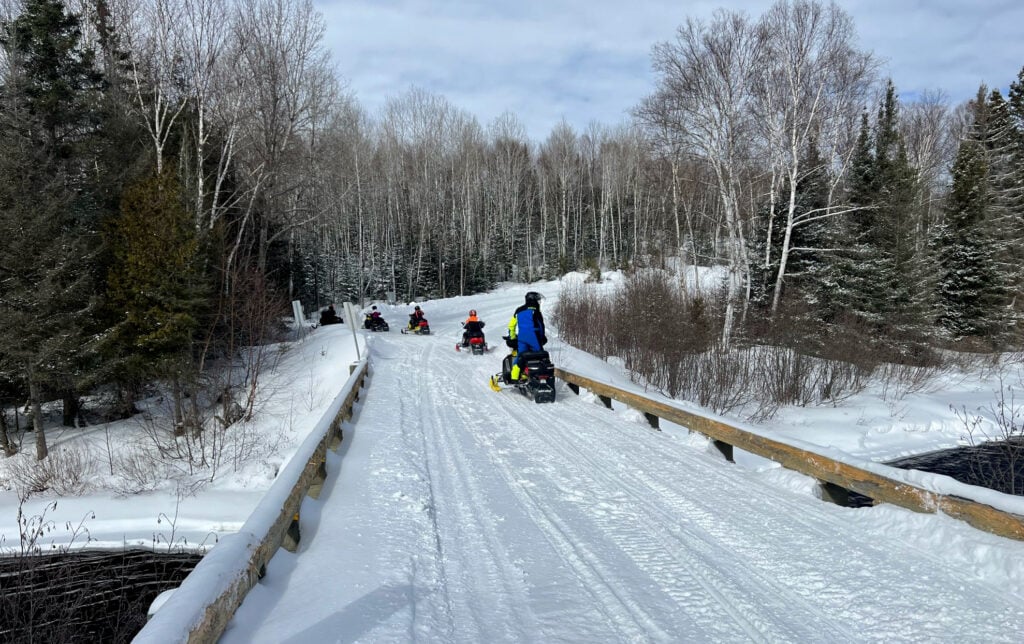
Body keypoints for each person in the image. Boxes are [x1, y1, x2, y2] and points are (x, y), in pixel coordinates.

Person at [507, 292, 546, 381]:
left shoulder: (518, 310)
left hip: (522, 337)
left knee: (521, 356)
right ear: (533, 299)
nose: (538, 302)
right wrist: (542, 337)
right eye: (537, 300)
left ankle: (515, 375)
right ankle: (538, 376)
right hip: (533, 336)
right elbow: (541, 325)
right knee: (539, 356)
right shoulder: (536, 310)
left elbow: (511, 326)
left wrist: (512, 337)